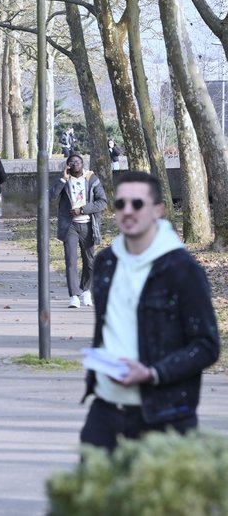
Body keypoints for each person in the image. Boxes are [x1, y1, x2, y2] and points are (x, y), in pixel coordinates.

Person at [79, 171, 220, 452]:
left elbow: (207, 346)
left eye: (137, 204)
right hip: (105, 412)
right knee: (91, 496)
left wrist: (152, 372)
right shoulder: (106, 262)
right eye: (120, 204)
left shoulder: (182, 270)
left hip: (164, 417)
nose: (127, 211)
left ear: (158, 210)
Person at [49, 154, 108, 308]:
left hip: (88, 225)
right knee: (70, 261)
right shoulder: (63, 180)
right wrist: (62, 179)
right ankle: (74, 295)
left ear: (83, 164)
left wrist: (82, 210)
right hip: (70, 227)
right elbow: (51, 196)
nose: (75, 164)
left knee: (90, 262)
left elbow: (102, 202)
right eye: (71, 162)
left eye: (78, 162)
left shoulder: (92, 179)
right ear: (67, 165)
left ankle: (85, 290)